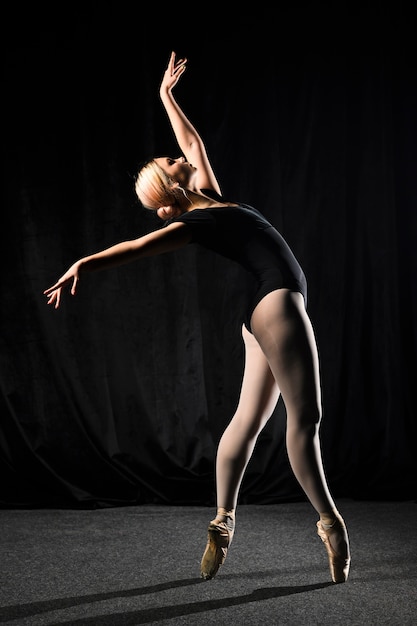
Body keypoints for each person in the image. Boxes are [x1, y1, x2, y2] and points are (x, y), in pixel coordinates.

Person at [44, 51, 351, 583]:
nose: (175, 155)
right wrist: (83, 264)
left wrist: (166, 95)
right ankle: (330, 523)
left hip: (258, 312)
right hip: (276, 301)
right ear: (170, 187)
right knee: (306, 421)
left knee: (247, 423)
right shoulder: (195, 223)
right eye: (167, 163)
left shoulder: (208, 200)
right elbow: (136, 246)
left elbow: (192, 144)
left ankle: (223, 520)